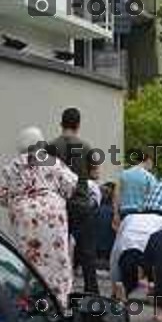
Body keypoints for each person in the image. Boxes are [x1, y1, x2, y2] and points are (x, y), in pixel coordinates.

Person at [0, 127, 78, 307]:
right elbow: (71, 185)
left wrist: (18, 199)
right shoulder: (52, 161)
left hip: (24, 216)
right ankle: (60, 301)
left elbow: (0, 196)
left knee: (28, 258)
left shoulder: (12, 166)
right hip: (52, 213)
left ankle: (31, 301)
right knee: (57, 259)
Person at [50, 107, 99, 294]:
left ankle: (58, 291)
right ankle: (92, 294)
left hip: (59, 205)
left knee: (59, 250)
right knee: (87, 253)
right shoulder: (86, 147)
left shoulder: (50, 147)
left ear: (61, 123)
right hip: (81, 203)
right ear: (78, 125)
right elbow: (95, 174)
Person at [109, 212, 162, 299]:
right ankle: (152, 288)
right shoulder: (129, 218)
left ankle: (149, 288)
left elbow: (114, 260)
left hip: (134, 241)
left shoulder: (123, 244)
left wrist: (114, 288)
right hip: (144, 226)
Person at [114, 151, 156, 224]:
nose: (152, 166)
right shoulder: (149, 177)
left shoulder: (123, 174)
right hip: (141, 213)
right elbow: (153, 197)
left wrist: (116, 214)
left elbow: (116, 195)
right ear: (148, 160)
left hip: (124, 212)